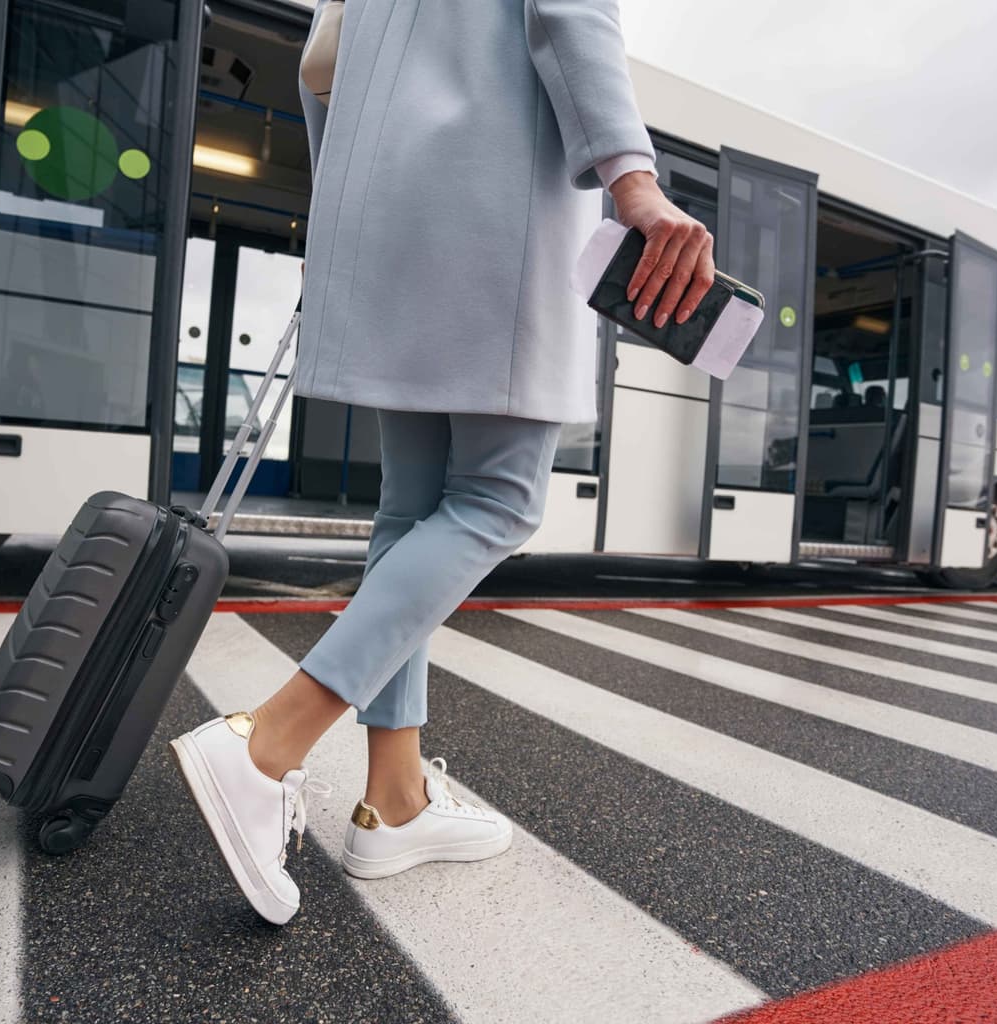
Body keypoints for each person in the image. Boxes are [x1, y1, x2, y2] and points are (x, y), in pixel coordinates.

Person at [169, 0, 716, 925]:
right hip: (492, 209)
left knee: (412, 511)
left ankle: (398, 801)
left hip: (392, 214)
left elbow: (323, 63)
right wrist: (635, 186)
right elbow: (571, 14)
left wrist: (345, 219)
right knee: (499, 503)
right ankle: (265, 744)